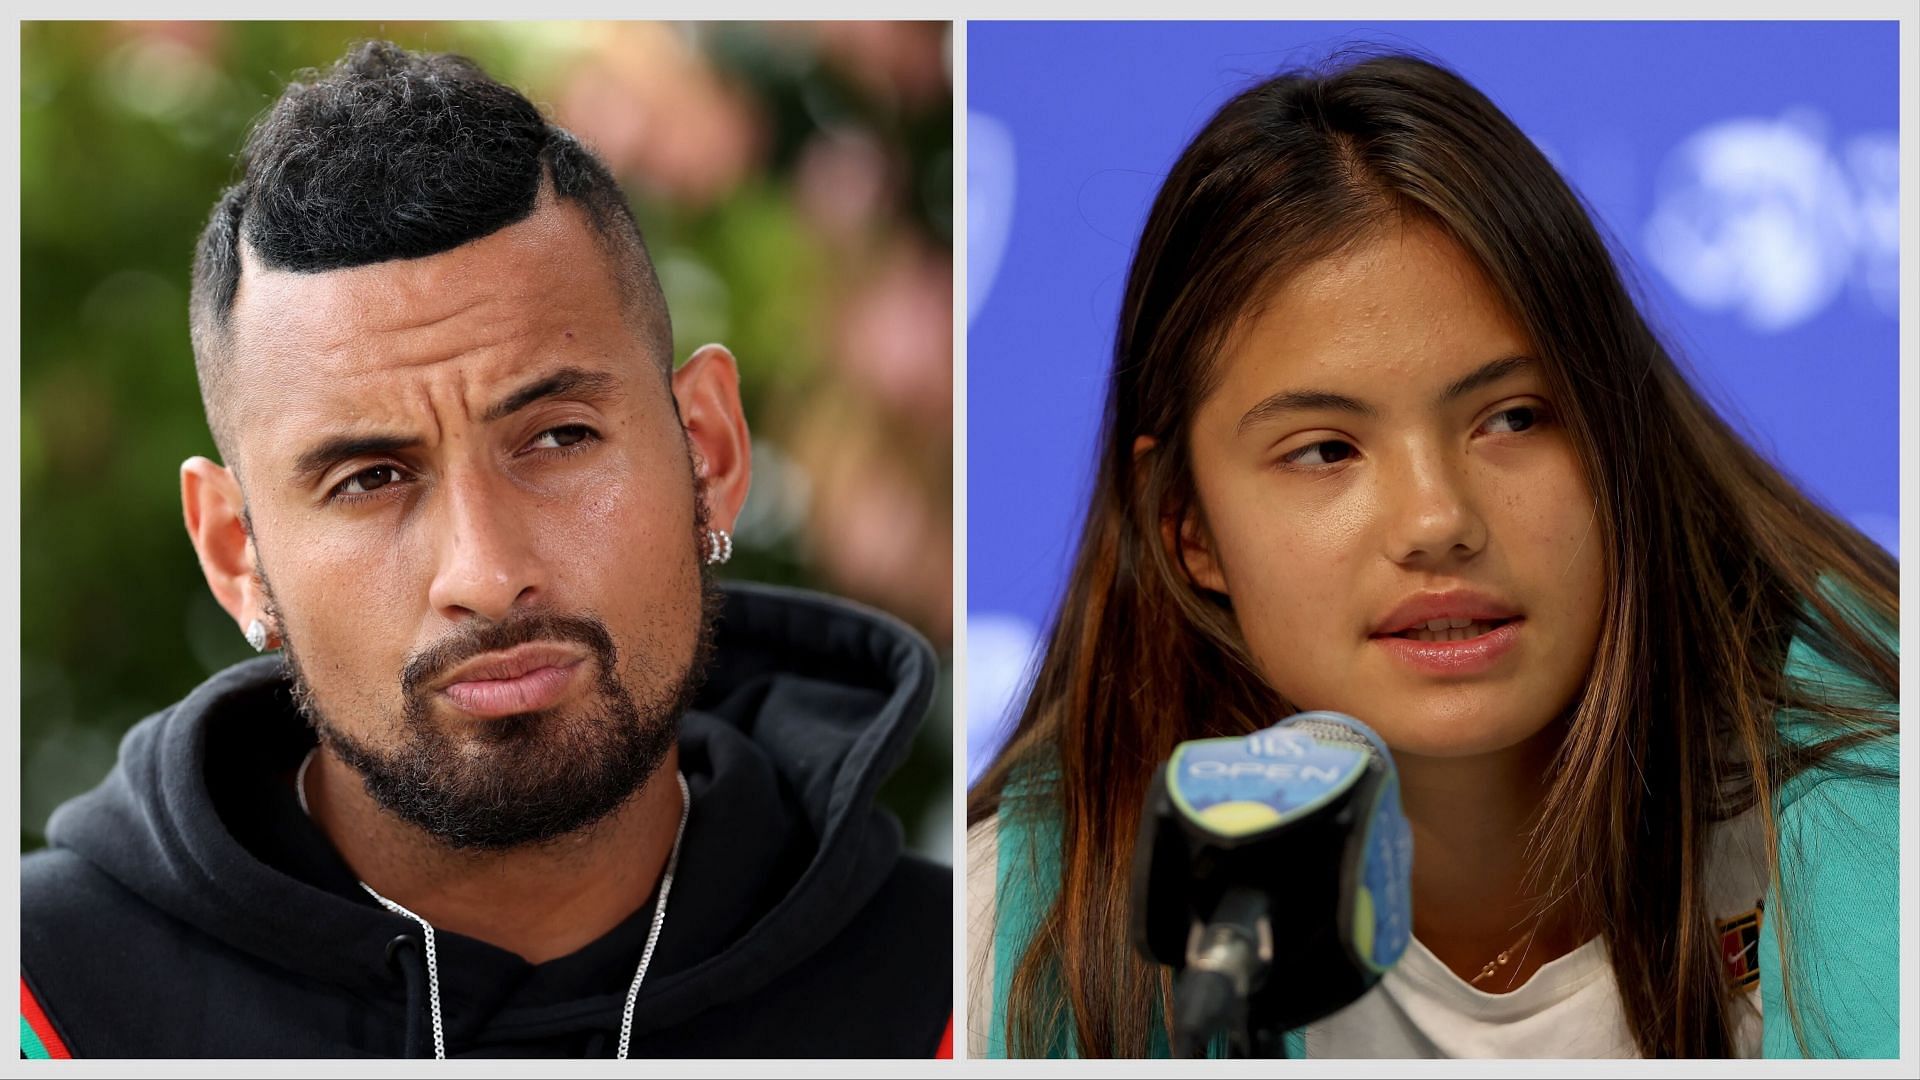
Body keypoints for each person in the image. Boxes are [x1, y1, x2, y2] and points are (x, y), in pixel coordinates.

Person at [20, 41, 951, 1059]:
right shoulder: (46, 1011)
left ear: (710, 450)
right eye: (370, 479)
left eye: (557, 439)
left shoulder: (976, 993)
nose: (486, 571)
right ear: (237, 551)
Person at [967, 52, 1898, 1060]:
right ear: (1187, 529)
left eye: (1512, 418)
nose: (1436, 519)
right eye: (1325, 450)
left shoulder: (1877, 805)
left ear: (1619, 440)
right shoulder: (1010, 937)